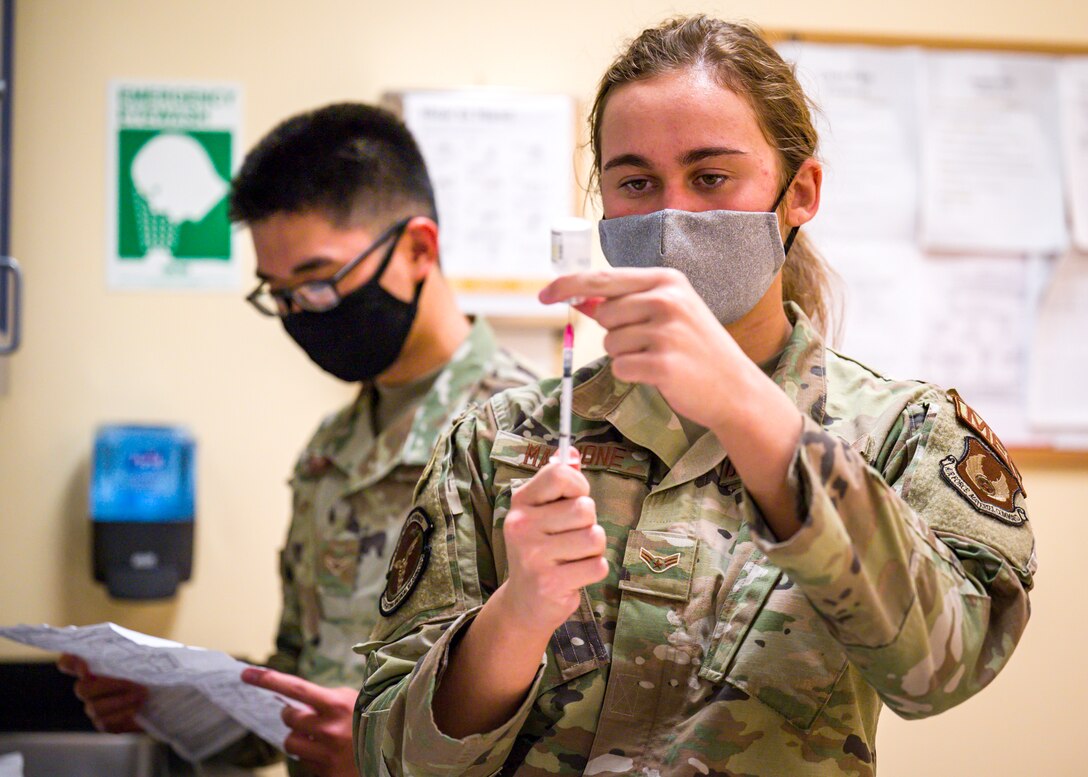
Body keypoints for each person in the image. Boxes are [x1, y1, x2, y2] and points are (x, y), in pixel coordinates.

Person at [352, 16, 1036, 777]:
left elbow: (945, 671)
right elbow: (389, 760)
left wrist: (747, 407)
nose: (671, 216)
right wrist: (516, 616)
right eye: (636, 182)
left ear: (799, 191)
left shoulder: (901, 434)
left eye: (711, 178)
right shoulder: (501, 441)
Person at [57, 102, 538, 777]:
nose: (301, 315)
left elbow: (568, 719)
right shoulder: (329, 449)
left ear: (418, 248)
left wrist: (385, 744)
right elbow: (299, 678)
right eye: (278, 294)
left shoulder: (525, 435)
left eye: (316, 283)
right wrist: (172, 703)